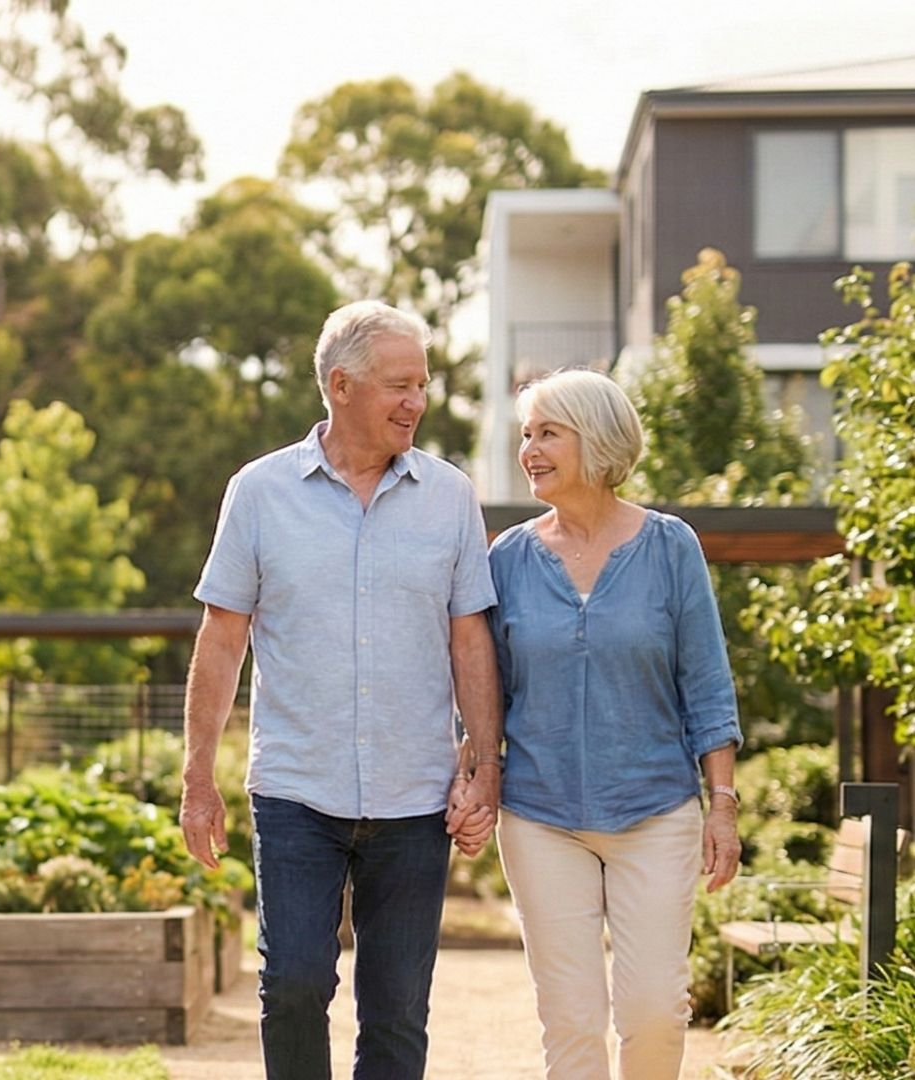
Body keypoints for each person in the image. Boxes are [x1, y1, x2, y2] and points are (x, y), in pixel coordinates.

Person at [180, 300, 502, 1080]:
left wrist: (485, 766)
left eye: (422, 384)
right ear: (341, 385)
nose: (416, 402)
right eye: (399, 384)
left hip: (414, 795)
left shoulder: (450, 496)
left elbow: (470, 640)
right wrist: (198, 776)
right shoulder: (259, 493)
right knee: (293, 984)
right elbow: (222, 637)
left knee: (396, 1011)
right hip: (297, 790)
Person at [484, 368, 741, 1080]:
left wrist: (722, 805)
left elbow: (708, 686)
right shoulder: (506, 559)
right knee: (569, 1019)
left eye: (547, 433)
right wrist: (475, 773)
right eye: (526, 435)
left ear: (594, 440)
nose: (529, 449)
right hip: (541, 816)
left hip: (655, 810)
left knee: (654, 1010)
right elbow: (483, 693)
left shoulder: (670, 547)